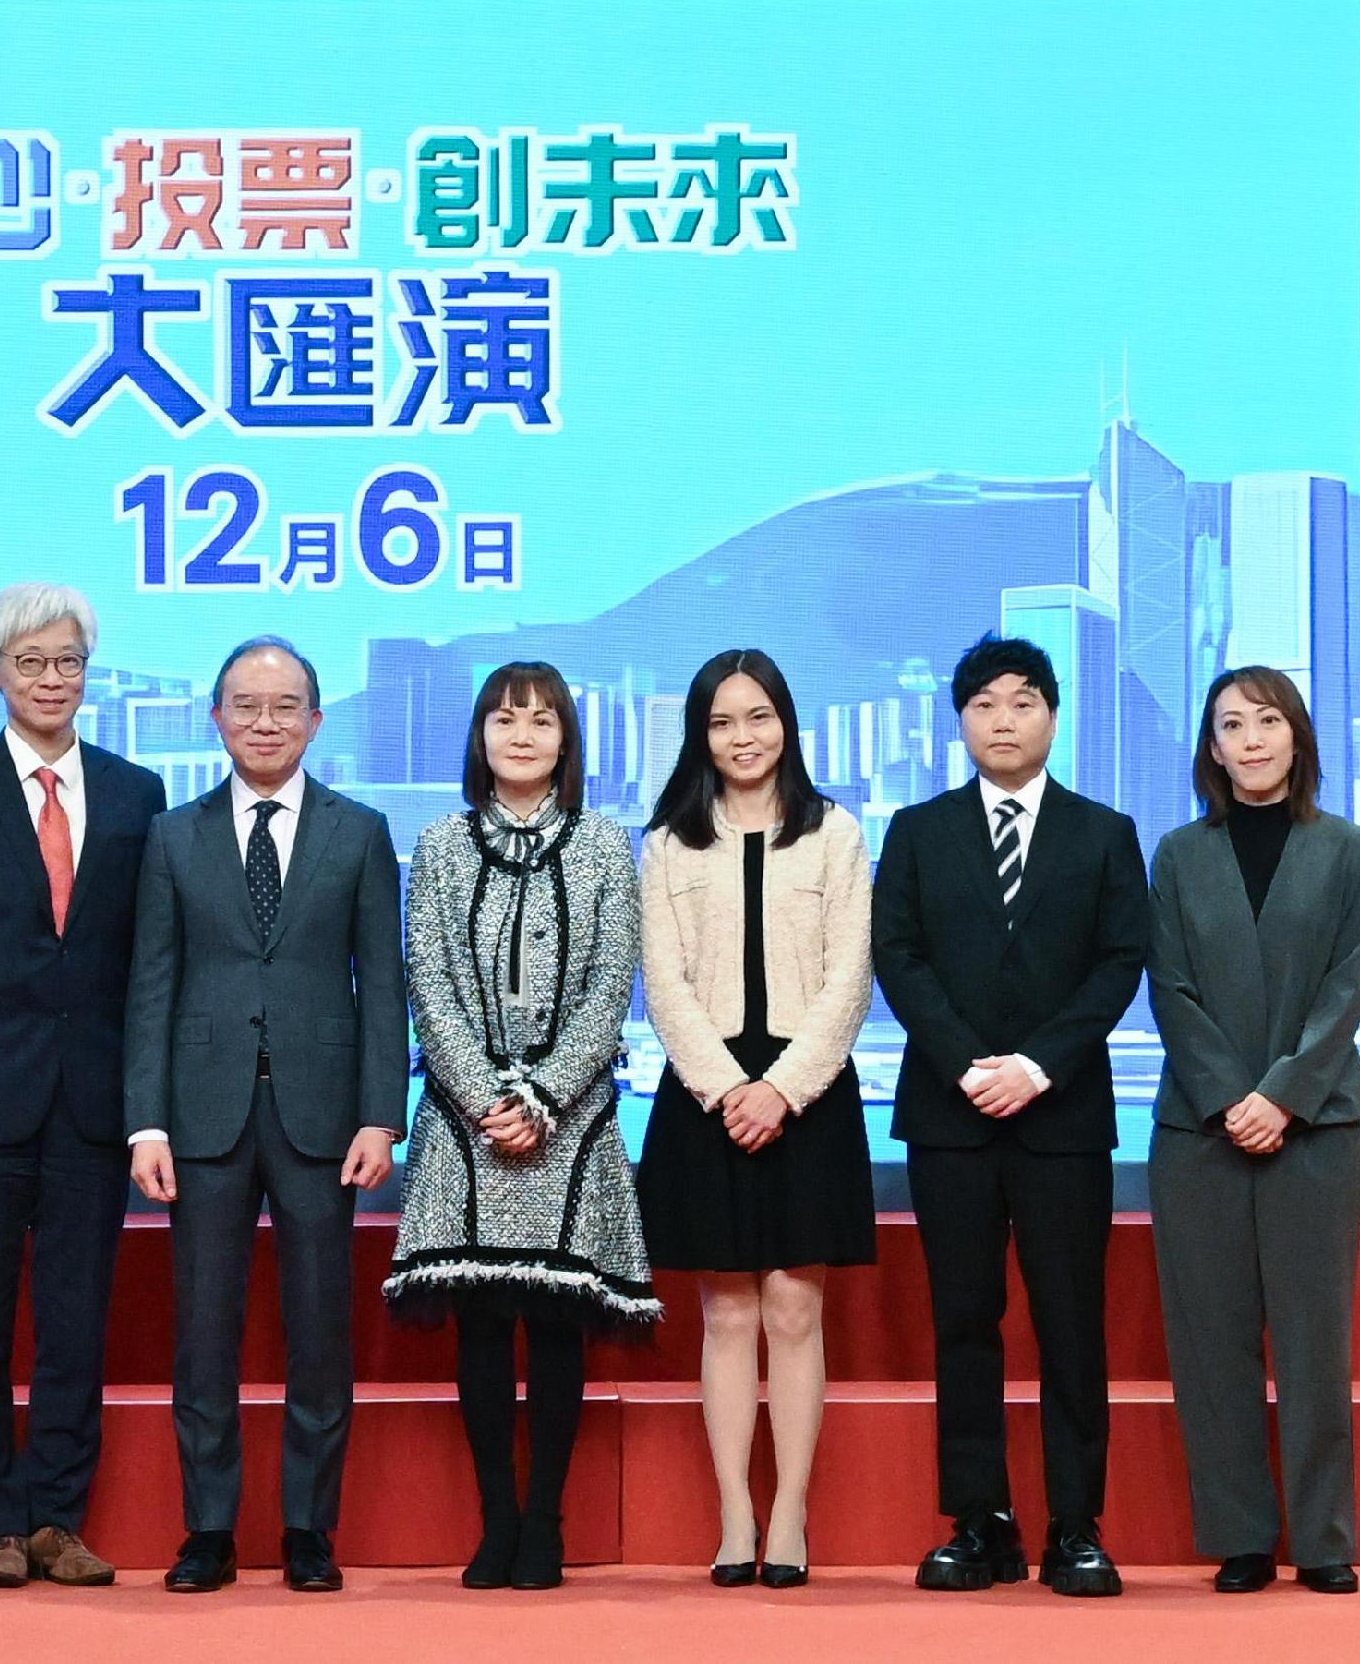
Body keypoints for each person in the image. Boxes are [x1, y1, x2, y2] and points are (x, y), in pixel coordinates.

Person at [123, 636, 407, 1594]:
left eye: (286, 706)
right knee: (203, 1330)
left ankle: (306, 1531)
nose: (266, 722)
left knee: (321, 1329)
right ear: (217, 717)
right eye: (246, 705)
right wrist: (145, 1122)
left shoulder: (359, 832)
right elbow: (150, 986)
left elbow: (384, 988)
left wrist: (382, 1116)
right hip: (199, 1122)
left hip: (325, 1123)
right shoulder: (172, 836)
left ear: (316, 722)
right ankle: (207, 1530)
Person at [0, 583, 166, 1591]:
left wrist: (146, 1101)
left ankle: (57, 1516)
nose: (50, 678)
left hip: (93, 1103)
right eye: (30, 662)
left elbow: (149, 959)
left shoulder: (137, 791)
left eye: (66, 661)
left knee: (73, 1318)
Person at [874, 635, 1146, 1597]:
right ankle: (979, 1521)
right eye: (984, 704)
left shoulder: (1104, 833)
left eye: (1023, 702)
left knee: (1072, 1324)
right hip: (950, 1119)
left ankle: (1078, 1525)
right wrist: (966, 1065)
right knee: (964, 1322)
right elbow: (897, 957)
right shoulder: (917, 829)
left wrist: (1036, 1065)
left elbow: (1121, 961)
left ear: (1053, 717)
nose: (1003, 720)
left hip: (1062, 1117)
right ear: (960, 722)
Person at [383, 661, 654, 1591]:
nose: (523, 735)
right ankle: (496, 1519)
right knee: (484, 1327)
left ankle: (547, 1520)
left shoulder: (607, 847)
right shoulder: (442, 845)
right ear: (480, 738)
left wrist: (543, 1097)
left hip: (570, 1128)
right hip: (466, 1127)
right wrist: (483, 1095)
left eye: (542, 720)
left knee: (557, 1326)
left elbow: (611, 984)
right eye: (505, 720)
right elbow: (431, 983)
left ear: (568, 739)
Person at [632, 649, 875, 1591]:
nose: (743, 737)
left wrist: (784, 1088)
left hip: (807, 1095)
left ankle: (790, 1514)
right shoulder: (666, 844)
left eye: (759, 717)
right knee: (727, 1310)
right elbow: (663, 985)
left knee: (794, 1306)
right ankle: (735, 1511)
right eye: (723, 722)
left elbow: (851, 977)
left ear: (788, 724)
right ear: (702, 735)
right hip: (706, 1096)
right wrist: (727, 1086)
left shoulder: (836, 834)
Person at [1147, 665, 1360, 1597]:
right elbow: (1170, 987)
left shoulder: (1347, 850)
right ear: (1211, 748)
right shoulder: (1176, 854)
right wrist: (1226, 1097)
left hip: (1317, 1129)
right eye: (1231, 725)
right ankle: (1241, 1537)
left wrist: (1281, 1095)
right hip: (1198, 1133)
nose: (1250, 739)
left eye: (1268, 721)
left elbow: (1347, 985)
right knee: (1212, 1343)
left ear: (1297, 737)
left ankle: (1324, 1539)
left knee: (1315, 1339)